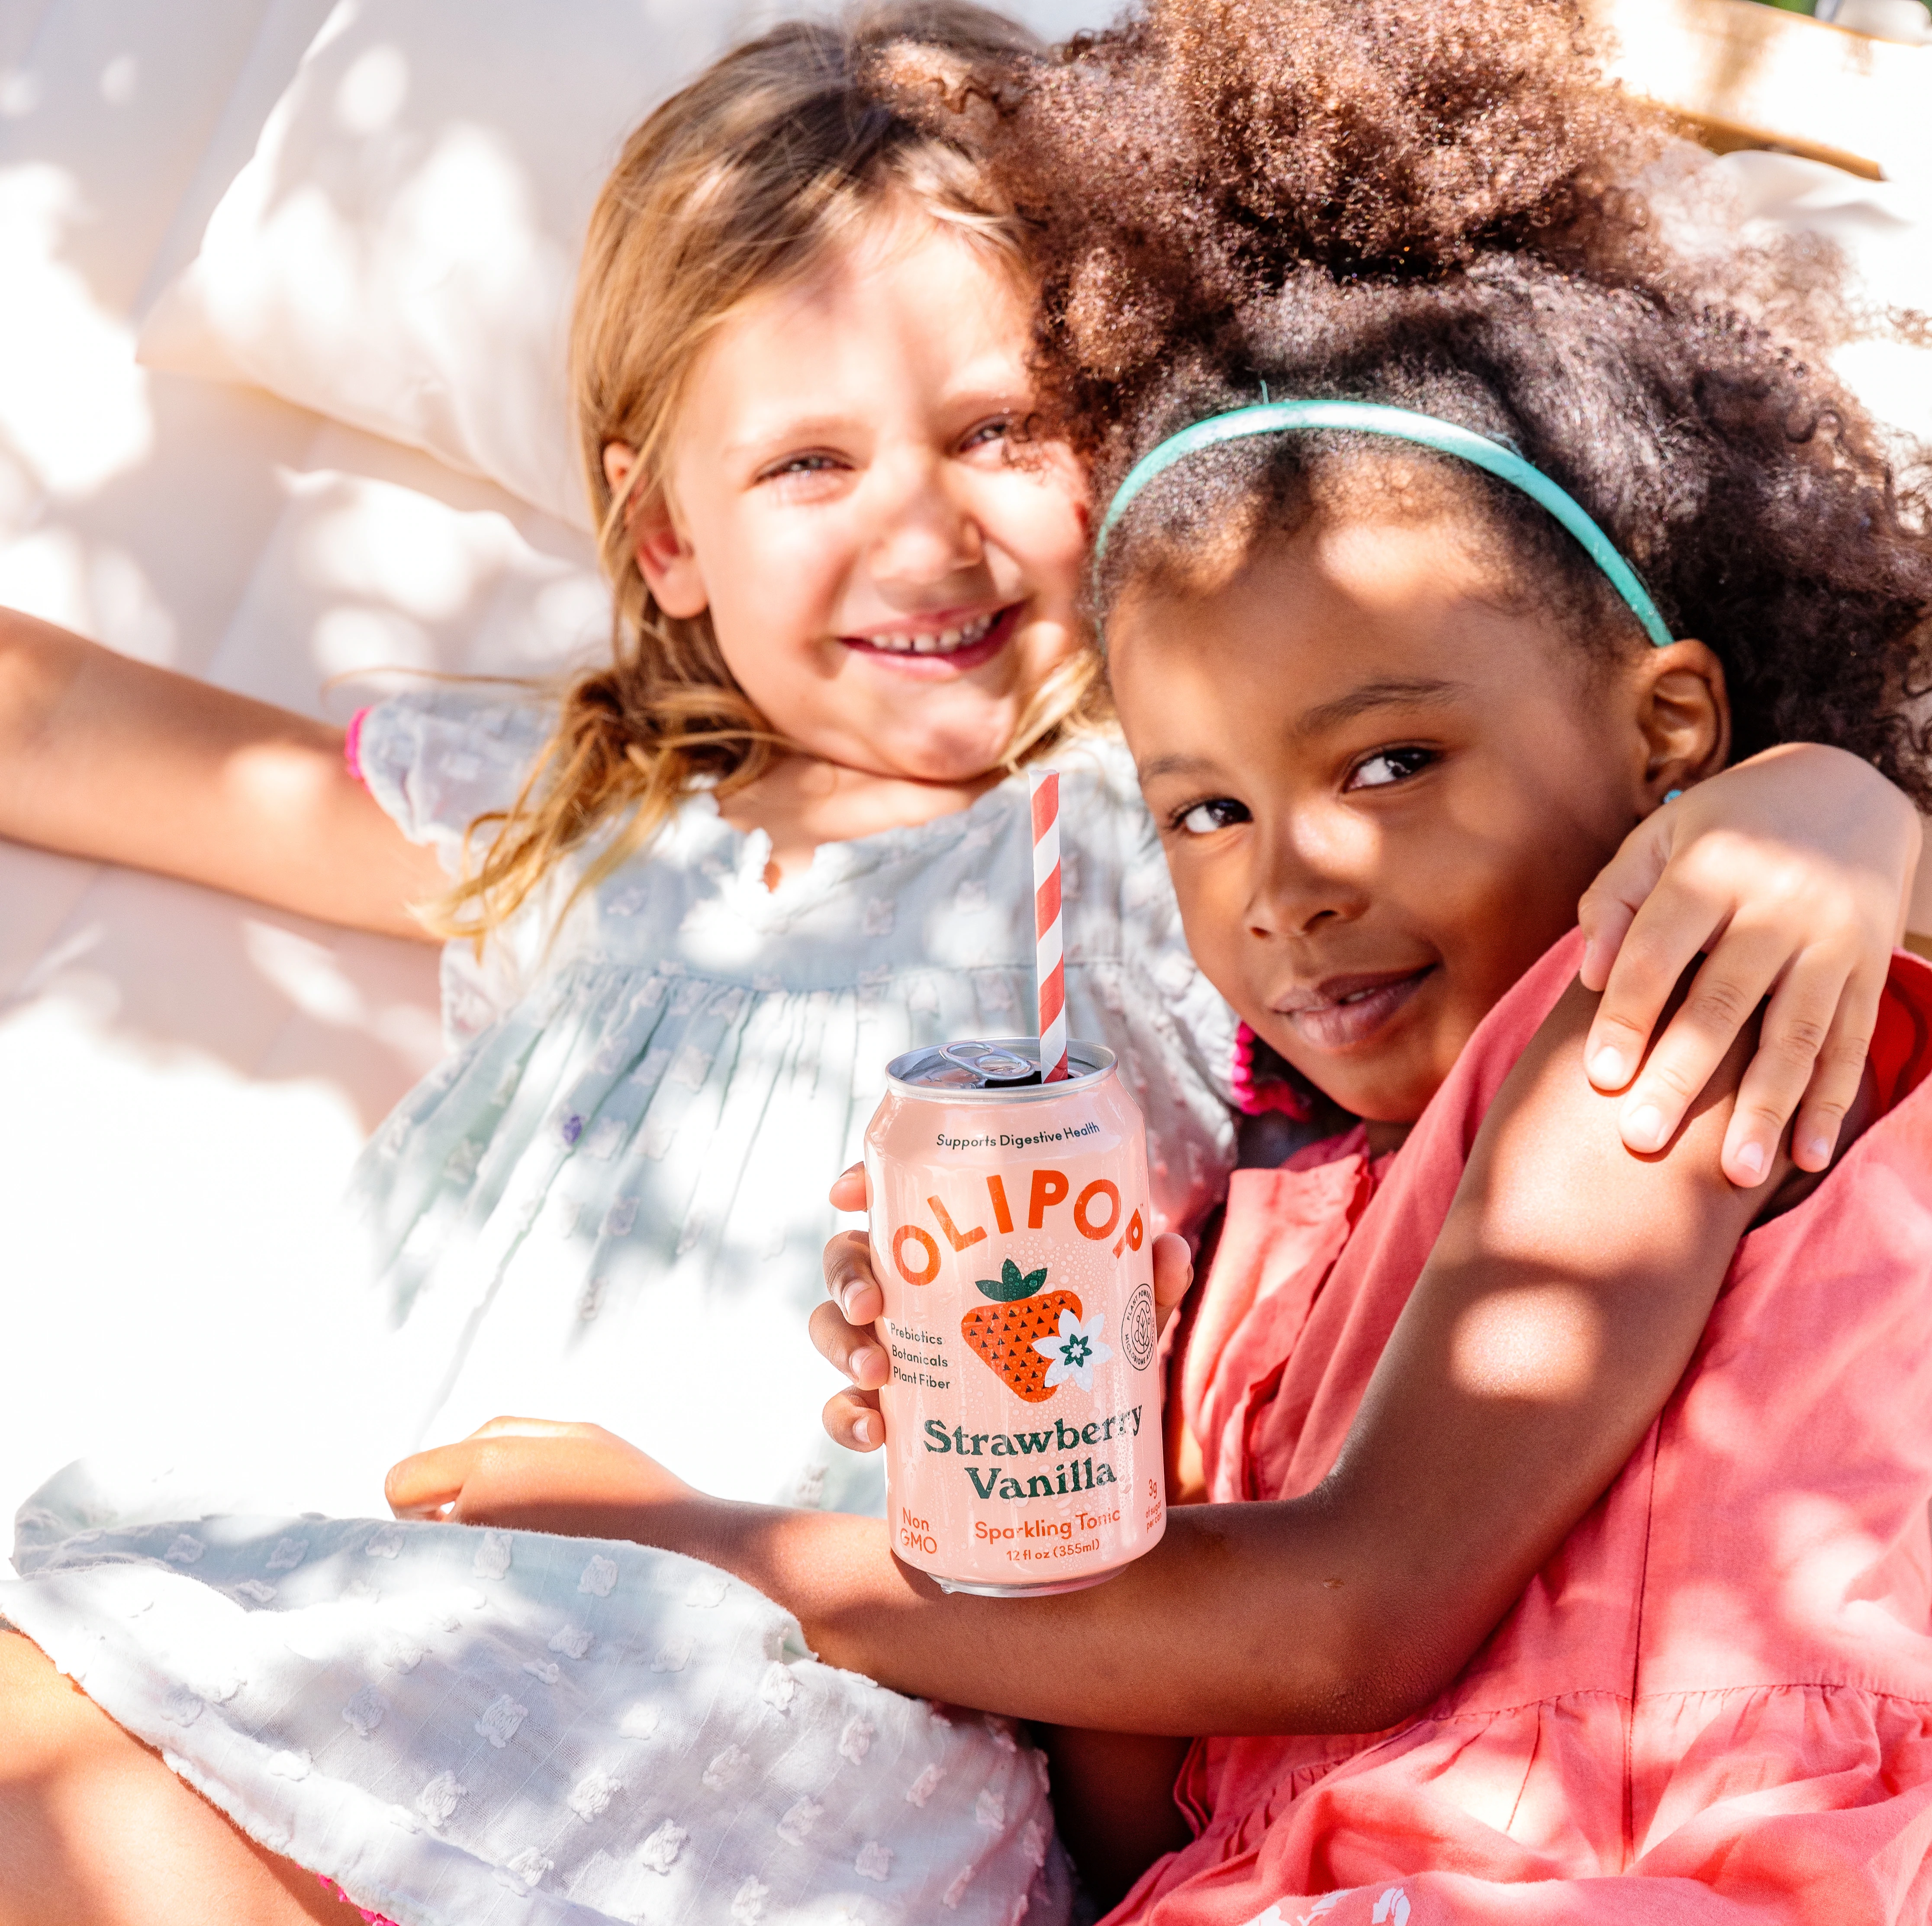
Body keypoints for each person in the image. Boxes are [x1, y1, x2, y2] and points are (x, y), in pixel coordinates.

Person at [1, 2, 1927, 1922]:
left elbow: (1567, 809)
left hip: (737, 1668)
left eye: (999, 431)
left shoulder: (1143, 830)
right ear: (663, 534)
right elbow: (70, 731)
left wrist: (1845, 795)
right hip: (340, 1553)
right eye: (810, 465)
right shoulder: (581, 819)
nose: (924, 533)